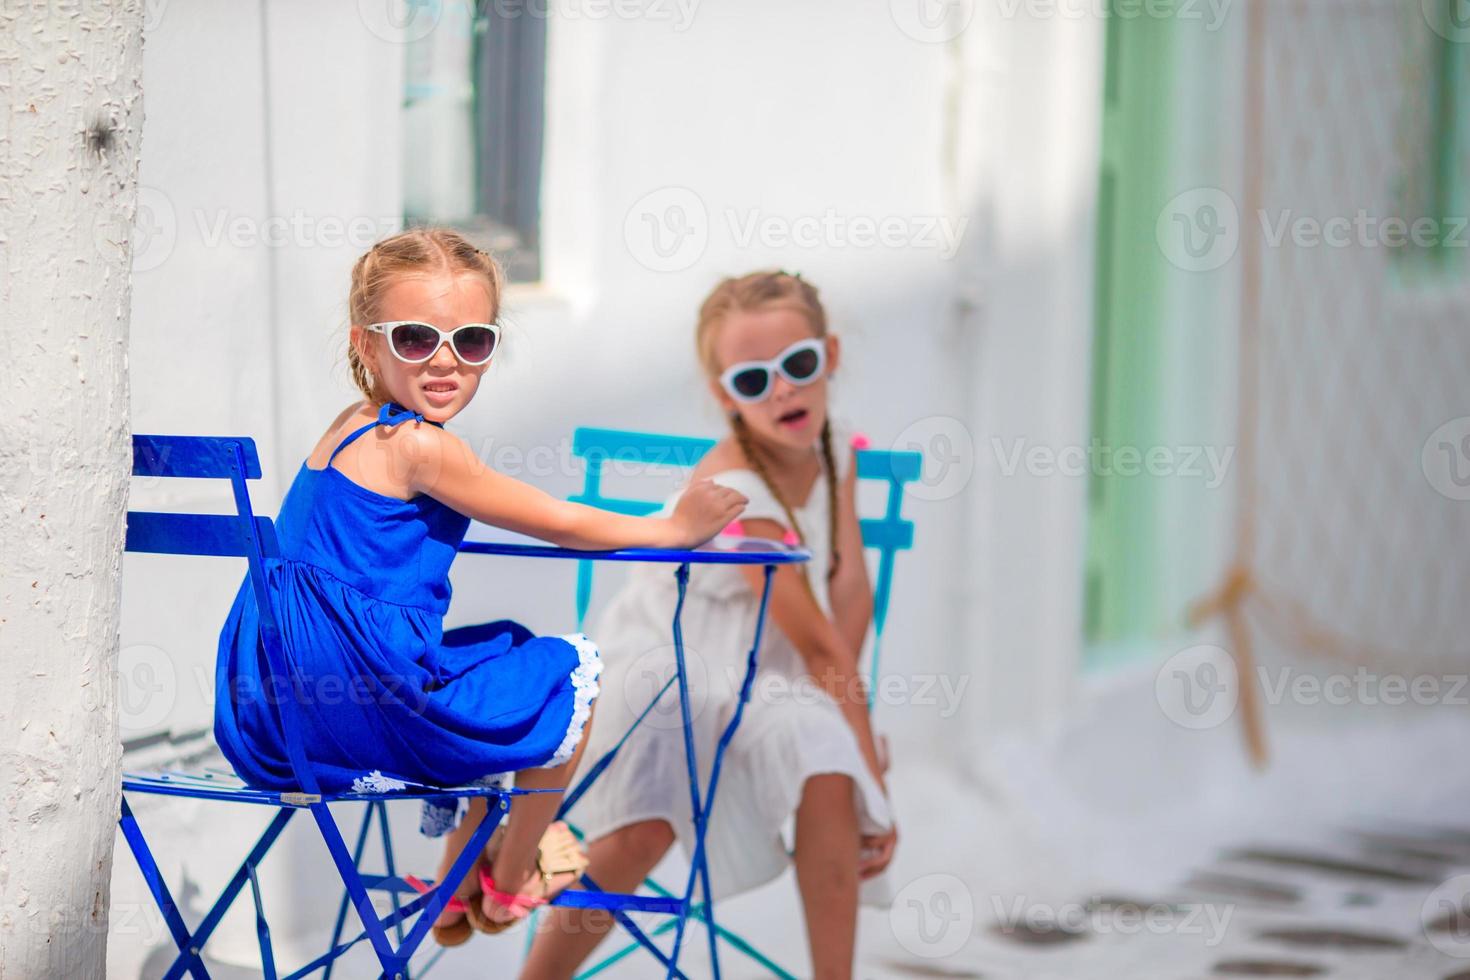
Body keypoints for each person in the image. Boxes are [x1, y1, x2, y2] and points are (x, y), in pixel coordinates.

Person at [214, 228, 746, 943]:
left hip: (275, 714)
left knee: (507, 656)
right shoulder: (423, 447)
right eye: (413, 338)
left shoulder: (348, 427)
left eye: (472, 341)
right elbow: (558, 520)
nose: (445, 360)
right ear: (365, 344)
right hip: (359, 711)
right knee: (566, 677)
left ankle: (457, 876)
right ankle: (508, 878)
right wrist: (674, 527)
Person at [524, 271, 897, 980]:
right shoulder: (740, 489)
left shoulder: (835, 447)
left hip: (766, 675)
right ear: (726, 396)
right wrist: (879, 780)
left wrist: (853, 748)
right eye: (754, 381)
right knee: (643, 825)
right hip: (673, 665)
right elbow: (820, 645)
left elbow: (848, 591)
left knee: (824, 748)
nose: (783, 390)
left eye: (799, 365)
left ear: (831, 355)